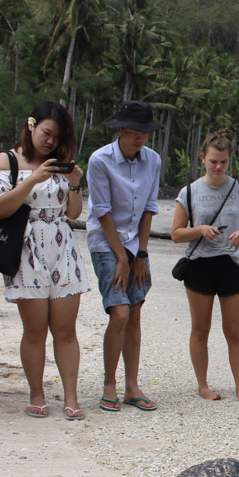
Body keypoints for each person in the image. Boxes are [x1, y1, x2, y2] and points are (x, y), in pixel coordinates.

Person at [0, 101, 90, 420]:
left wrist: (74, 182)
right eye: (46, 133)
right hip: (26, 248)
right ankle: (36, 393)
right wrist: (33, 178)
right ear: (31, 125)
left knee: (65, 329)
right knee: (34, 330)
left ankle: (71, 396)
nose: (50, 141)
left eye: (57, 137)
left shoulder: (60, 161)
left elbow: (73, 213)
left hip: (62, 247)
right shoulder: (7, 160)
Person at [85, 101, 161, 413]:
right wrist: (121, 257)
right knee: (119, 314)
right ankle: (109, 384)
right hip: (106, 242)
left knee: (135, 314)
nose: (140, 136)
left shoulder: (153, 160)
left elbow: (149, 208)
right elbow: (102, 213)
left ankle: (132, 386)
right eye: (134, 130)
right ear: (120, 129)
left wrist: (140, 253)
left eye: (145, 131)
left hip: (136, 243)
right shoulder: (100, 160)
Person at [171, 129, 239, 403]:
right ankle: (203, 386)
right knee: (200, 329)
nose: (218, 167)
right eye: (213, 161)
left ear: (230, 160)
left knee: (234, 330)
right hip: (199, 266)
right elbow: (176, 234)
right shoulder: (190, 192)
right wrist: (199, 229)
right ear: (202, 159)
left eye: (223, 162)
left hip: (231, 264)